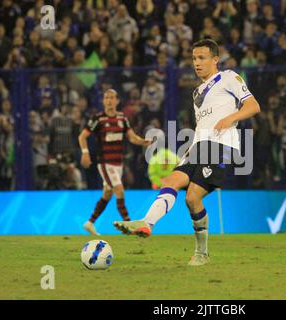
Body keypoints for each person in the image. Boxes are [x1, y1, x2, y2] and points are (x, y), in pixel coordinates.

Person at [114, 39, 261, 266]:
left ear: (215, 60)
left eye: (202, 58)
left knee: (193, 197)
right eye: (194, 58)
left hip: (221, 146)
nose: (197, 63)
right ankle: (147, 223)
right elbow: (203, 125)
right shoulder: (197, 92)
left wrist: (230, 118)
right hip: (199, 145)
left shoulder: (229, 77)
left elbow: (253, 106)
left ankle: (202, 254)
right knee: (171, 180)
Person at [79, 89, 152, 235]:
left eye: (112, 97)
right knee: (119, 190)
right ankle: (129, 225)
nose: (109, 100)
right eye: (106, 97)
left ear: (117, 101)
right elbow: (82, 136)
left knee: (107, 194)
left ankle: (90, 222)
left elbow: (131, 137)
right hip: (105, 163)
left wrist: (143, 142)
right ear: (103, 101)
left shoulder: (122, 118)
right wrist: (85, 153)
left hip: (118, 163)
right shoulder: (98, 119)